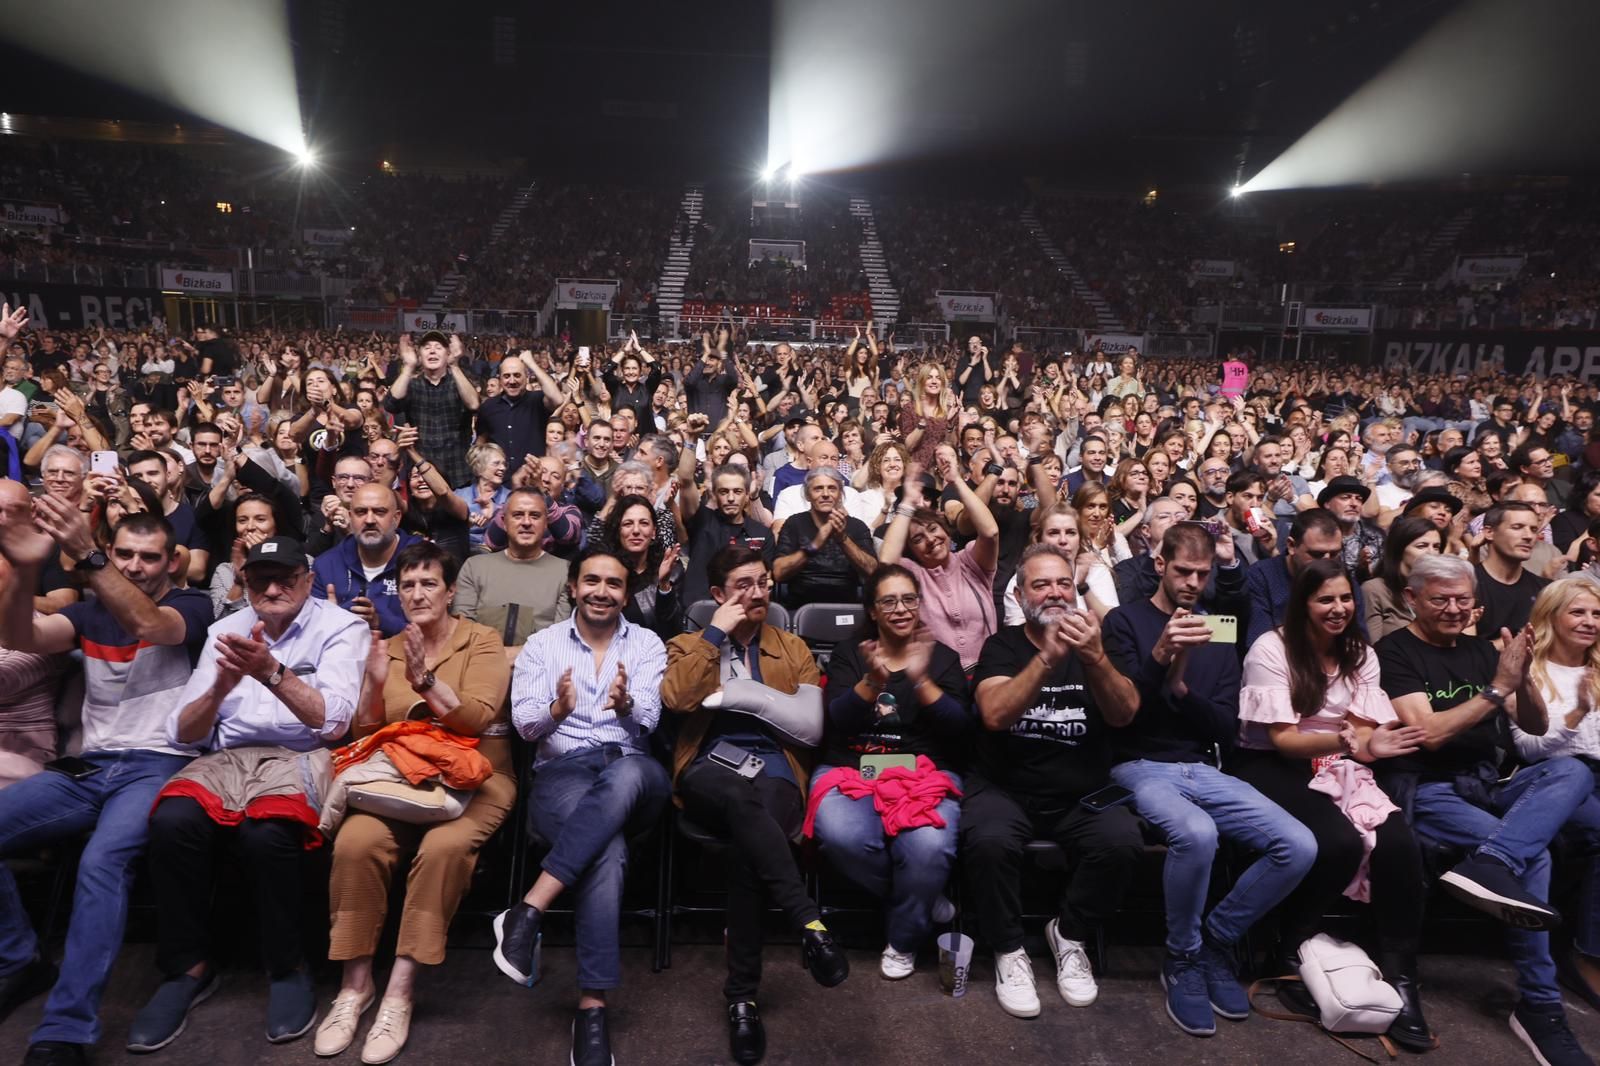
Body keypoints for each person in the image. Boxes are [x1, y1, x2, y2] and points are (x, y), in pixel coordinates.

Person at [127, 535, 369, 1052]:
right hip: (225, 756)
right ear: (246, 581)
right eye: (262, 579)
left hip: (303, 754)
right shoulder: (224, 629)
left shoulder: (342, 627)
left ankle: (288, 967)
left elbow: (333, 722)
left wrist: (270, 672)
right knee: (172, 823)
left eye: (286, 578)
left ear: (307, 580)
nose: (274, 588)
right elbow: (182, 733)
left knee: (269, 833)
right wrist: (220, 686)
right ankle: (186, 969)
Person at [0, 492, 210, 1066]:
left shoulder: (195, 606)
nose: (136, 566)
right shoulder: (90, 614)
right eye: (126, 555)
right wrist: (20, 566)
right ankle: (19, 959)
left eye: (149, 557)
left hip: (157, 765)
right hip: (86, 769)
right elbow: (22, 637)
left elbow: (151, 624)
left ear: (172, 562)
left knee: (102, 862)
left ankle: (65, 1030)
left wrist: (86, 553)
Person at [1377, 553, 1600, 1066]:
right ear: (1411, 599)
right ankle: (1541, 1009)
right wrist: (1498, 685)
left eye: (1463, 599)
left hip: (1487, 782)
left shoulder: (1483, 650)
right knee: (1536, 856)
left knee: (1574, 770)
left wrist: (1521, 680)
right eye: (1441, 599)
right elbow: (1428, 735)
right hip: (1428, 787)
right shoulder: (1394, 651)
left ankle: (1493, 861)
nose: (1455, 608)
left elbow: (1537, 728)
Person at [1103, 523, 1314, 1037]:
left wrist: (1181, 688)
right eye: (1183, 571)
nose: (1193, 582)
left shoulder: (1218, 629)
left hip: (1203, 764)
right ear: (1160, 565)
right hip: (1137, 763)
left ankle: (1214, 941)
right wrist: (1159, 662)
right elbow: (1122, 717)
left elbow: (1227, 726)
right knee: (1197, 835)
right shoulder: (1124, 621)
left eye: (1203, 573)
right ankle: (1180, 958)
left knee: (1299, 844)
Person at [315, 542, 513, 1064]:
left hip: (478, 776)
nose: (418, 594)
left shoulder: (482, 639)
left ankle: (400, 990)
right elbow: (365, 731)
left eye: (429, 584)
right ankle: (354, 987)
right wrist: (376, 684)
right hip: (399, 776)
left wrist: (426, 680)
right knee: (356, 842)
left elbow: (476, 717)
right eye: (407, 585)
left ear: (451, 591)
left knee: (444, 848)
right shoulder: (389, 644)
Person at [1232, 559, 1435, 1049]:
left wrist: (1369, 747)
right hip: (1271, 765)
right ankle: (1289, 953)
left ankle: (1401, 976)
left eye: (1346, 598)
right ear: (1302, 604)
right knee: (1337, 840)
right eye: (1326, 599)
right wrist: (1350, 744)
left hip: (1333, 762)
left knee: (1398, 844)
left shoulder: (1360, 653)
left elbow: (1363, 732)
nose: (1339, 608)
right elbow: (1283, 739)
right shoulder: (1271, 647)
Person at [660, 546, 847, 1066]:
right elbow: (675, 700)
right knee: (745, 807)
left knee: (750, 835)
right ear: (718, 595)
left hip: (778, 771)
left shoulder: (793, 648)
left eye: (763, 582)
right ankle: (809, 923)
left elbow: (810, 729)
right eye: (743, 585)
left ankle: (741, 997)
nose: (759, 592)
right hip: (708, 769)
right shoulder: (687, 644)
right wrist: (714, 637)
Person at [495, 548, 671, 1066]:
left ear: (625, 592)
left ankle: (530, 908)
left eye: (613, 584)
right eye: (591, 581)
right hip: (564, 773)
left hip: (634, 773)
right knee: (606, 851)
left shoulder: (646, 643)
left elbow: (652, 721)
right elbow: (526, 725)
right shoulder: (542, 645)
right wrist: (557, 709)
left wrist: (627, 706)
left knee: (632, 769)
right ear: (573, 586)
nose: (601, 591)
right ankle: (592, 1007)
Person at [962, 544, 1145, 1019]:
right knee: (988, 840)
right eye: (1041, 584)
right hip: (1007, 784)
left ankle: (1070, 934)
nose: (1055, 593)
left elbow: (1124, 715)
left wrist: (1096, 659)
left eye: (1063, 583)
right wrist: (1045, 658)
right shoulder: (1001, 645)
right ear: (1020, 593)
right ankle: (1008, 950)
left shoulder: (1099, 642)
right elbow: (995, 715)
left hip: (1080, 790)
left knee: (1122, 841)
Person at [812, 565, 969, 978]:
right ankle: (921, 892)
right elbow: (837, 720)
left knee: (929, 850)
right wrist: (872, 680)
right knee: (843, 837)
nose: (901, 609)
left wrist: (919, 679)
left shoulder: (943, 657)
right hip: (852, 767)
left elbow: (959, 727)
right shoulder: (850, 652)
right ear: (874, 611)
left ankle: (903, 940)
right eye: (889, 601)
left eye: (909, 600)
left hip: (924, 771)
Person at [1509, 575, 1600, 1011]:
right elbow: (1528, 748)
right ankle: (1587, 955)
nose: (1590, 622)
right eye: (1578, 612)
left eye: (1597, 613)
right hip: (1555, 782)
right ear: (1552, 616)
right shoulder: (1531, 670)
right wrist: (1579, 711)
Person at [879, 451, 999, 670]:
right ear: (912, 549)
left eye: (933, 529)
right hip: (941, 679)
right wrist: (906, 503)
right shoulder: (912, 574)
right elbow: (886, 561)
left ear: (946, 530)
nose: (930, 539)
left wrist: (956, 481)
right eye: (918, 539)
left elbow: (990, 532)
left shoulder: (971, 561)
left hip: (987, 673)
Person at [453, 488, 573, 654]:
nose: (526, 522)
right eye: (517, 515)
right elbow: (462, 631)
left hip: (541, 673)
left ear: (546, 523)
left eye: (535, 516)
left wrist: (509, 657)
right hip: (479, 670)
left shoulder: (565, 572)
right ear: (503, 521)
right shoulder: (475, 567)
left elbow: (560, 640)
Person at [313, 483, 420, 638]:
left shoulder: (423, 560)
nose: (369, 520)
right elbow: (310, 635)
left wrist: (380, 622)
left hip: (405, 658)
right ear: (350, 517)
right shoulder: (326, 565)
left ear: (396, 518)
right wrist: (333, 622)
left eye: (379, 512)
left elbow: (434, 632)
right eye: (361, 512)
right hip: (341, 658)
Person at [1242, 508, 1351, 646]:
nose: (1327, 563)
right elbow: (1260, 644)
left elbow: (1358, 643)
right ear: (1291, 546)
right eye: (1316, 555)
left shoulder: (1343, 578)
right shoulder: (1262, 576)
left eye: (1334, 554)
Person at [772, 466, 876, 609]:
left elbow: (873, 571)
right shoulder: (794, 523)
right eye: (818, 489)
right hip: (800, 607)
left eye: (832, 488)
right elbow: (778, 573)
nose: (825, 494)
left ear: (840, 494)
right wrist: (815, 545)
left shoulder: (857, 526)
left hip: (848, 608)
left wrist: (843, 539)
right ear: (808, 495)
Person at [385, 332, 479, 488]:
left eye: (438, 347)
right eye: (427, 347)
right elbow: (391, 404)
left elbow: (474, 404)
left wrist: (454, 365)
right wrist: (408, 367)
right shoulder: (412, 385)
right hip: (422, 473)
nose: (432, 351)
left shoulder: (459, 382)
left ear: (448, 354)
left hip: (458, 473)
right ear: (420, 356)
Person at [681, 463, 775, 608]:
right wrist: (691, 441)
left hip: (745, 611)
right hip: (700, 614)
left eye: (737, 491)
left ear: (747, 494)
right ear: (714, 494)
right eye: (724, 492)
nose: (731, 498)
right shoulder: (702, 522)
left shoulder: (761, 533)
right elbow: (686, 478)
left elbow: (765, 582)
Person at [595, 494, 684, 639]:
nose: (636, 530)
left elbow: (674, 634)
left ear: (654, 532)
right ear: (618, 531)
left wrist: (664, 585)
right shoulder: (602, 570)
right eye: (628, 524)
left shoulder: (672, 570)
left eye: (643, 523)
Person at [1476, 502, 1551, 640]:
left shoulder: (1545, 590)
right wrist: (1522, 640)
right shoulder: (1468, 584)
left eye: (1534, 530)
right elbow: (1462, 650)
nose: (1529, 536)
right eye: (1517, 527)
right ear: (1489, 532)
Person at [1361, 516, 1442, 643]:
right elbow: (1374, 647)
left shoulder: (1437, 590)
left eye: (1436, 547)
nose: (1431, 553)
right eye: (1422, 546)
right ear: (1400, 549)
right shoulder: (1374, 590)